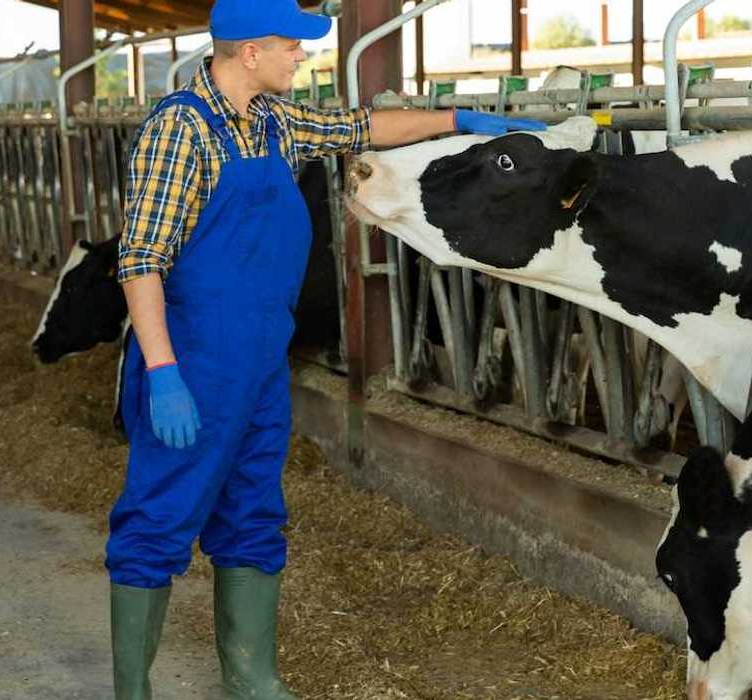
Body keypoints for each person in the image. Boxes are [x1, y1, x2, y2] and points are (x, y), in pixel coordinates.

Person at [105, 1, 546, 698]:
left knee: (252, 510)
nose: (301, 57)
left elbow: (361, 126)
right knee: (159, 516)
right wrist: (162, 371)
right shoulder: (179, 130)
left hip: (259, 357)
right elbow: (140, 261)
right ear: (250, 52)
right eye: (292, 46)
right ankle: (132, 691)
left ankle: (252, 678)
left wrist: (457, 120)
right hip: (194, 357)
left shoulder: (272, 121)